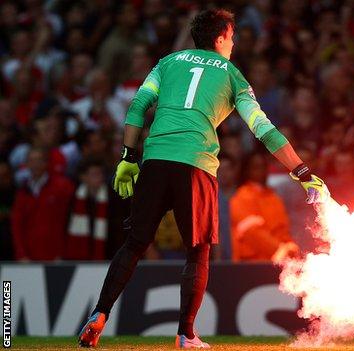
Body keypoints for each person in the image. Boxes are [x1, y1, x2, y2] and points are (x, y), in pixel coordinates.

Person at [78, 9, 329, 349]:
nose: (234, 42)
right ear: (220, 38)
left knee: (134, 244)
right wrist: (301, 171)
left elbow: (138, 105)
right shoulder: (232, 75)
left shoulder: (167, 63)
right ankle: (186, 334)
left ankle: (99, 313)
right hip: (196, 164)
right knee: (197, 252)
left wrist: (128, 156)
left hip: (154, 160)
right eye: (232, 36)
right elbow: (262, 129)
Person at [230, 152, 297, 262]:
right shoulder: (241, 197)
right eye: (256, 167)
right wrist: (280, 248)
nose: (262, 171)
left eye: (263, 166)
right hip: (251, 263)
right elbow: (252, 233)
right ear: (246, 171)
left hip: (279, 261)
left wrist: (289, 246)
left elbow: (283, 229)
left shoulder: (274, 197)